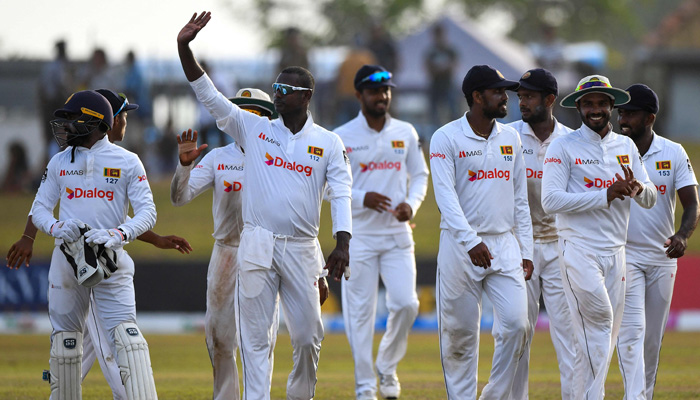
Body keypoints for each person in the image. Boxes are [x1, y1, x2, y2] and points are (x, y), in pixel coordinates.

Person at [177, 12, 352, 400]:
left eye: (285, 89)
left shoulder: (328, 142)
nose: (277, 93)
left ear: (306, 96)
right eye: (276, 87)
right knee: (256, 341)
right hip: (256, 244)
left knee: (309, 337)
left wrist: (343, 243)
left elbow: (341, 193)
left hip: (303, 248)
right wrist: (184, 49)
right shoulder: (254, 129)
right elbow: (209, 95)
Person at [171, 88, 329, 400]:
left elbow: (300, 218)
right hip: (227, 252)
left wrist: (318, 268)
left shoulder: (282, 157)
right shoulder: (219, 158)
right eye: (242, 111)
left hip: (268, 252)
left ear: (268, 118)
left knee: (260, 339)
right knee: (218, 338)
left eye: (256, 112)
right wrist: (184, 166)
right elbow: (179, 198)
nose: (248, 118)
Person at [30, 89, 159, 399]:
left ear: (97, 122)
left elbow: (148, 212)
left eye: (73, 121)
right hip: (67, 260)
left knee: (128, 340)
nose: (66, 128)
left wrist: (119, 234)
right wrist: (59, 226)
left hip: (111, 260)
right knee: (66, 345)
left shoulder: (127, 161)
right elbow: (39, 210)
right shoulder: (60, 161)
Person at [541, 75, 657, 400]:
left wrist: (637, 189)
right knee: (601, 323)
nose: (596, 109)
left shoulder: (626, 145)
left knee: (599, 337)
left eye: (602, 103)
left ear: (611, 105)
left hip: (616, 252)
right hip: (578, 249)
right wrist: (604, 195)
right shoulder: (562, 146)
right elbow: (550, 201)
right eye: (588, 103)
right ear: (578, 106)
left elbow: (650, 196)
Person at [430, 65, 534, 399]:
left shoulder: (512, 138)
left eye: (505, 92)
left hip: (504, 244)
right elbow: (445, 197)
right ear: (477, 97)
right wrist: (471, 240)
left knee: (518, 325)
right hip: (461, 247)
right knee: (459, 337)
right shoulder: (446, 137)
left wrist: (527, 251)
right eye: (498, 92)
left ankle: (493, 395)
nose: (506, 98)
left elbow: (521, 200)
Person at [334, 65, 429, 400]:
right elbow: (331, 188)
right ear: (359, 94)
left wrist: (411, 204)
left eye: (386, 91)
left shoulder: (405, 131)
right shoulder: (342, 137)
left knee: (407, 304)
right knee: (360, 317)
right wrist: (363, 198)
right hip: (357, 237)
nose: (382, 96)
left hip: (397, 235)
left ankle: (386, 366)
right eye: (374, 92)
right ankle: (364, 389)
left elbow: (420, 176)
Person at [615, 84, 699, 400]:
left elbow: (692, 204)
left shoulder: (673, 152)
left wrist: (682, 235)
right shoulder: (611, 151)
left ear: (650, 117)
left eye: (630, 113)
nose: (623, 118)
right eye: (621, 112)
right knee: (632, 332)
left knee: (652, 339)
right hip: (626, 254)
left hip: (663, 256)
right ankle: (634, 396)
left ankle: (643, 395)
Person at [506, 68, 576, 399]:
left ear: (550, 99)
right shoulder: (506, 137)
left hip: (562, 246)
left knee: (570, 334)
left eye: (529, 96)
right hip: (520, 246)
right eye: (520, 96)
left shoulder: (572, 141)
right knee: (517, 331)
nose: (522, 102)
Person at [424, 24, 459, 132]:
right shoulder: (430, 52)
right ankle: (436, 133)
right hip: (435, 86)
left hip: (448, 85)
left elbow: (453, 66)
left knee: (453, 112)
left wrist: (440, 69)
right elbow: (428, 68)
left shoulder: (450, 50)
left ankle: (456, 132)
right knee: (434, 115)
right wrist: (441, 68)